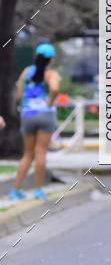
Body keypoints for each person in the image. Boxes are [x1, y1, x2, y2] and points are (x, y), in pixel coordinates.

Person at [9, 43, 60, 202]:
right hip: (45, 116)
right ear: (51, 59)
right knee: (41, 153)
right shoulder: (51, 73)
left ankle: (16, 190)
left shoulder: (26, 72)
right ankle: (39, 190)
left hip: (28, 115)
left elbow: (19, 95)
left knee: (27, 154)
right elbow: (55, 89)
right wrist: (50, 103)